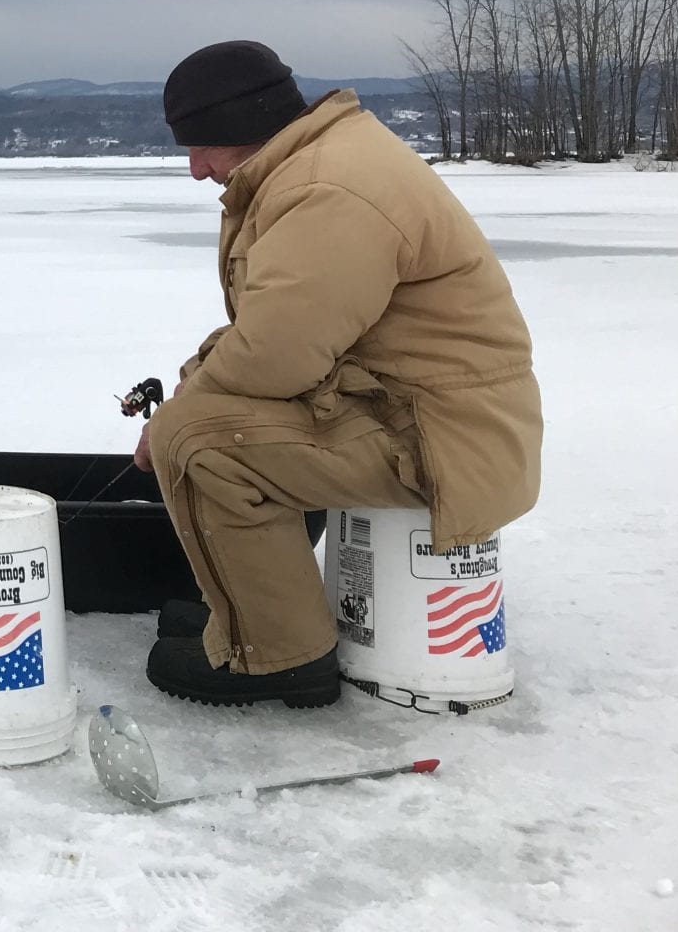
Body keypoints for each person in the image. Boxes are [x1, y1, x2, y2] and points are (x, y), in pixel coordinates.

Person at [135, 40, 542, 707]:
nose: (196, 169)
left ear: (245, 125)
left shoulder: (328, 189)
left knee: (198, 439)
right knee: (209, 414)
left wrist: (180, 412)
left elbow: (277, 357)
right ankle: (245, 608)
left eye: (202, 145)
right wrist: (196, 374)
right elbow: (280, 326)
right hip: (414, 413)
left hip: (443, 441)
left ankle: (278, 654)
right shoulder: (316, 164)